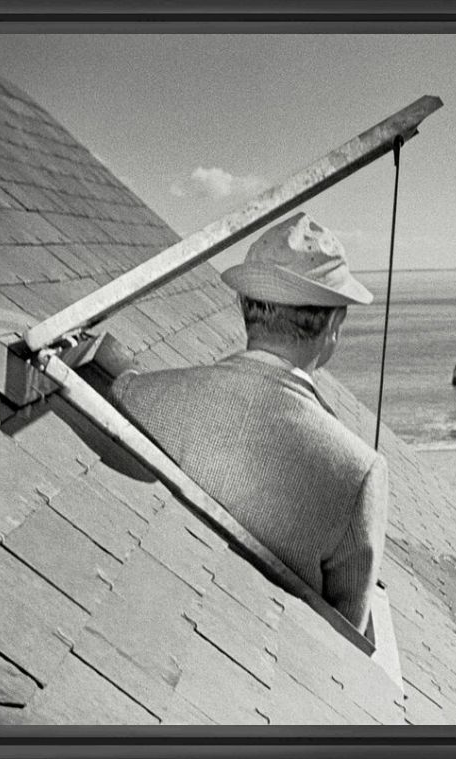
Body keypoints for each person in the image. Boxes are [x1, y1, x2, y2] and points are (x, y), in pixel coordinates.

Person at [110, 212, 387, 633]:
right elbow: (346, 639)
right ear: (333, 323)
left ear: (245, 305)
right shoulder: (358, 472)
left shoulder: (137, 395)